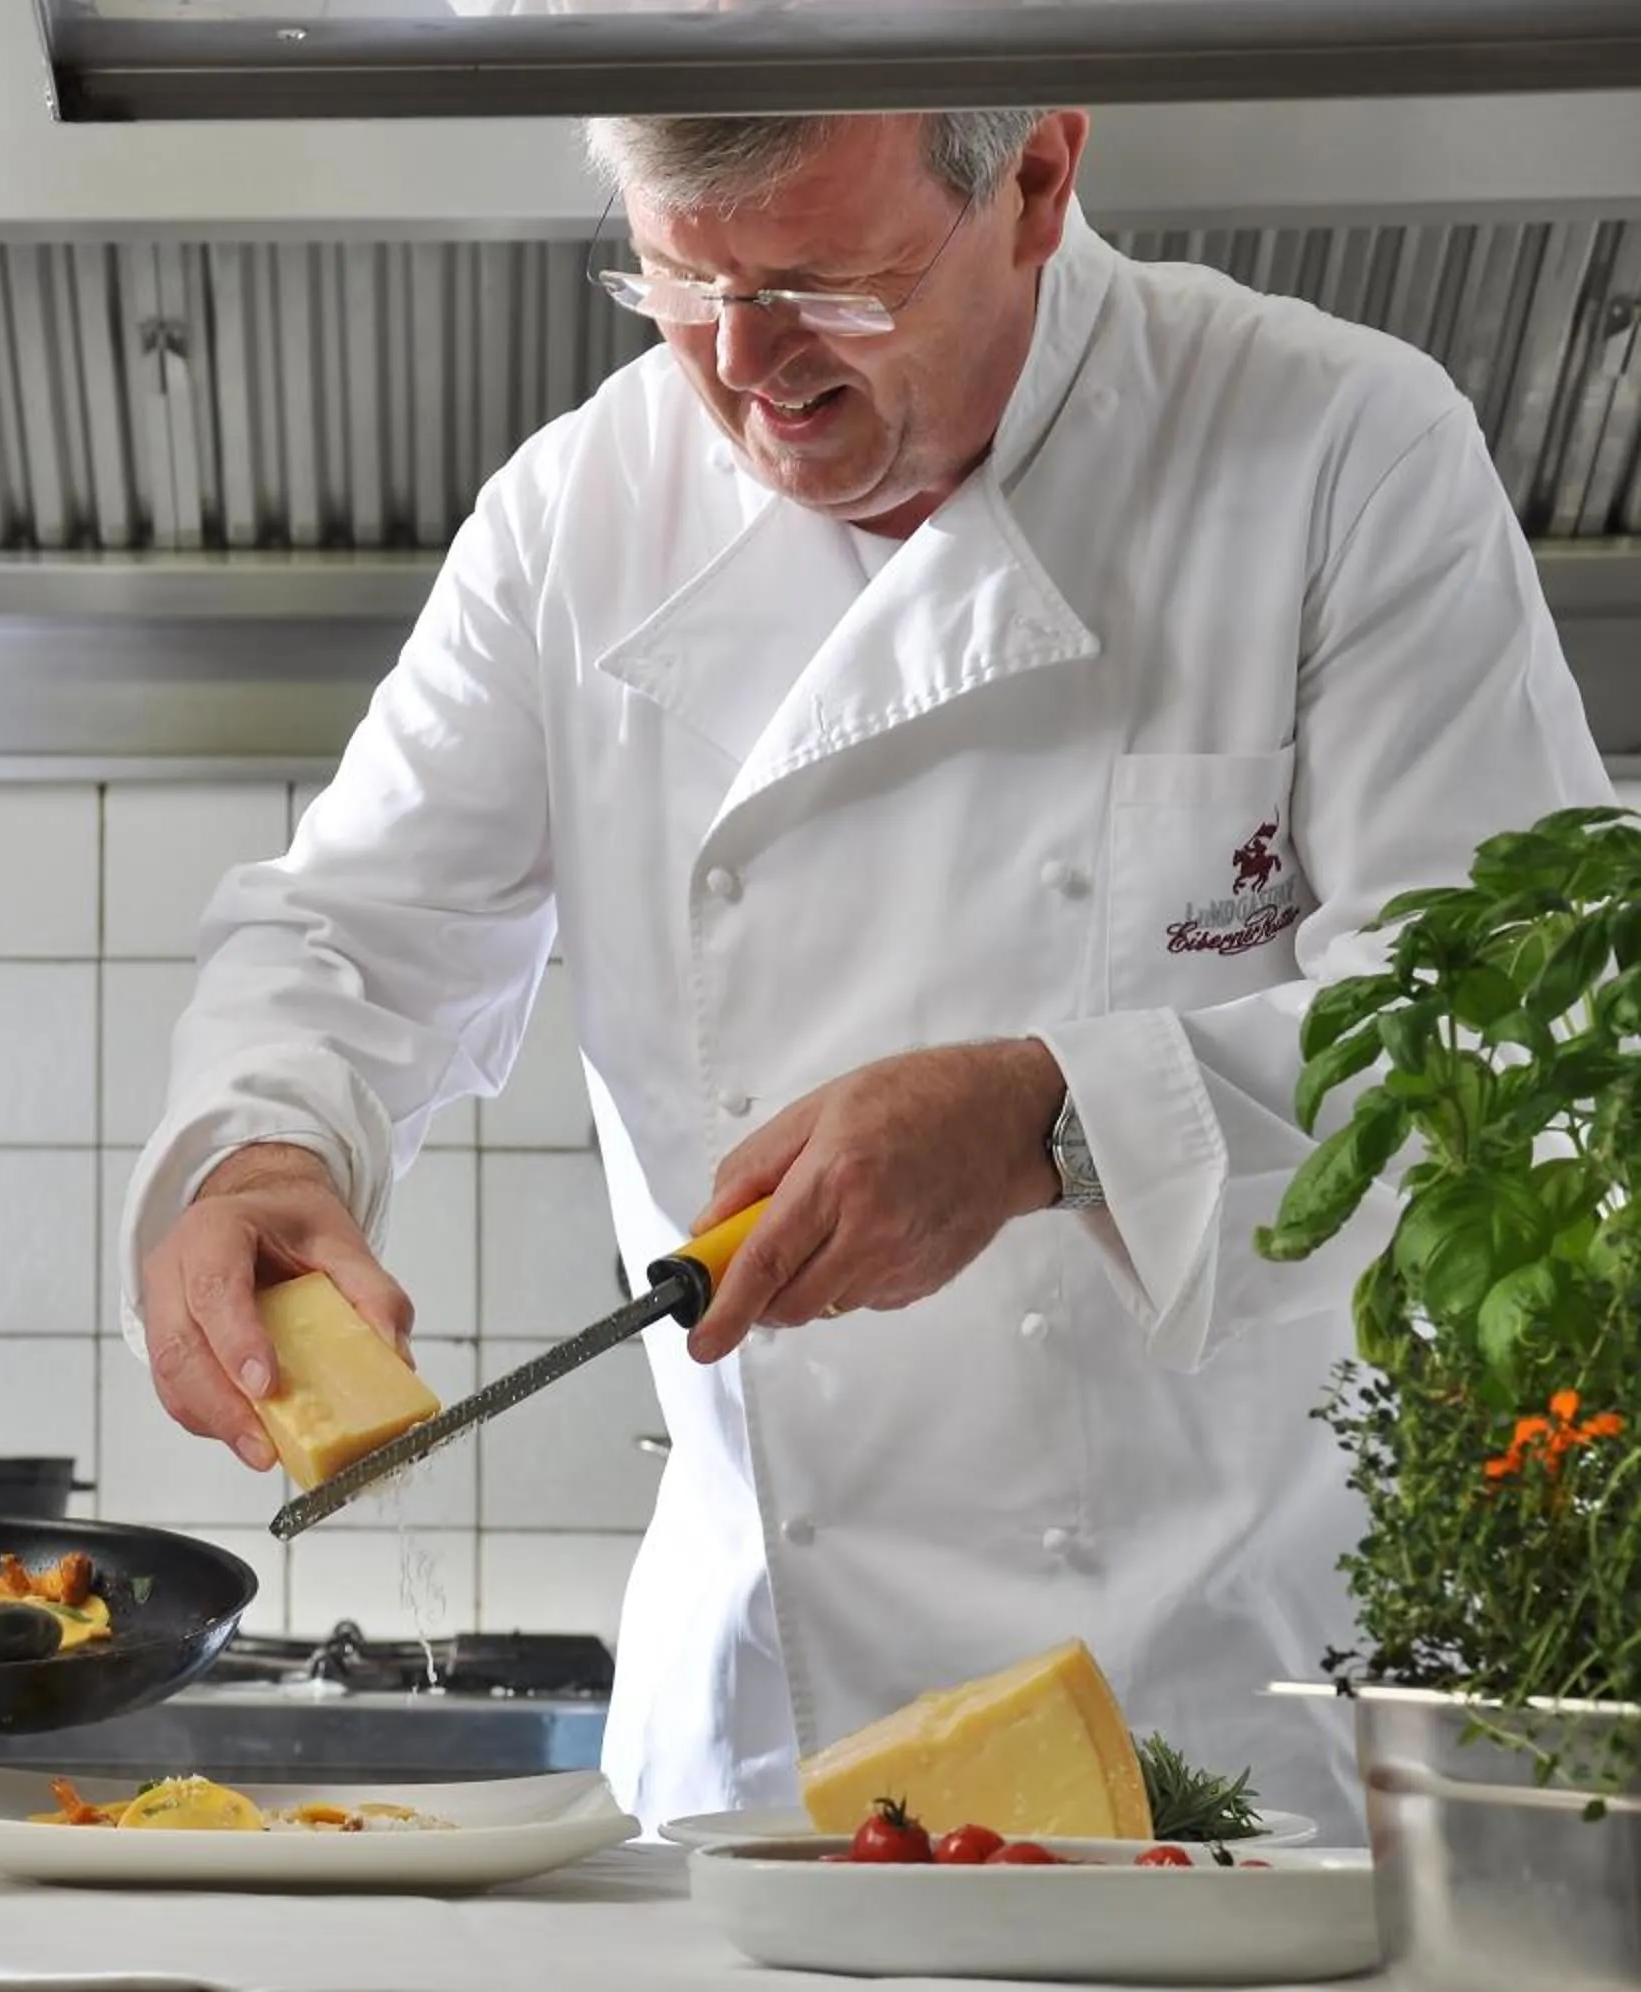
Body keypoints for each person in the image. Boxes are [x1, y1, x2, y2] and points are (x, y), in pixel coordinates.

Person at [122, 107, 1614, 1844]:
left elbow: (1507, 1038)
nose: (751, 369)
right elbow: (344, 938)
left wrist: (1046, 1121)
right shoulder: (576, 517)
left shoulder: (1335, 450)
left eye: (827, 286)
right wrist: (263, 1148)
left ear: (1039, 185)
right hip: (765, 1759)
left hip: (1223, 1736)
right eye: (680, 281)